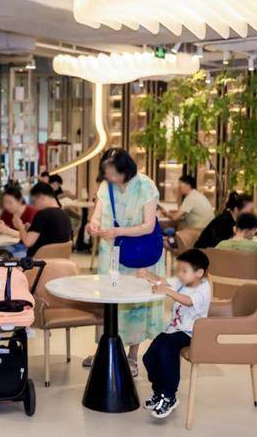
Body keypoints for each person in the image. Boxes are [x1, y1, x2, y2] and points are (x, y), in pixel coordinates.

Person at [86, 147, 164, 376]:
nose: (110, 177)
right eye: (107, 172)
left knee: (134, 304)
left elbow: (148, 226)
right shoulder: (106, 186)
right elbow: (97, 214)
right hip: (111, 252)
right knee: (109, 299)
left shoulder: (145, 186)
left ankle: (132, 356)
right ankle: (106, 351)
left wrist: (118, 231)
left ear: (125, 169)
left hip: (138, 252)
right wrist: (93, 224)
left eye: (113, 172)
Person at [137, 249, 211, 419]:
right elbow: (162, 281)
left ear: (199, 273)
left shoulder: (204, 288)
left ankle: (169, 396)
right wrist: (148, 274)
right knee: (149, 357)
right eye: (179, 270)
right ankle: (159, 392)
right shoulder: (182, 281)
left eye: (184, 270)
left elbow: (188, 301)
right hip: (173, 329)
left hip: (192, 331)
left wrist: (168, 291)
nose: (180, 274)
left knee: (166, 352)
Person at [15, 182, 72, 257]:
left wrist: (20, 226)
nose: (34, 206)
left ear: (41, 198)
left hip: (37, 259)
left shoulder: (42, 214)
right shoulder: (64, 215)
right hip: (59, 259)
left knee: (7, 252)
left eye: (34, 202)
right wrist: (32, 228)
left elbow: (27, 242)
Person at [0, 185, 37, 257]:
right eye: (5, 202)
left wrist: (7, 230)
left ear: (20, 201)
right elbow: (1, 230)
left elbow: (30, 239)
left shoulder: (31, 213)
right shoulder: (6, 212)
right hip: (9, 244)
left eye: (10, 202)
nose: (7, 206)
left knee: (5, 256)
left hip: (26, 248)